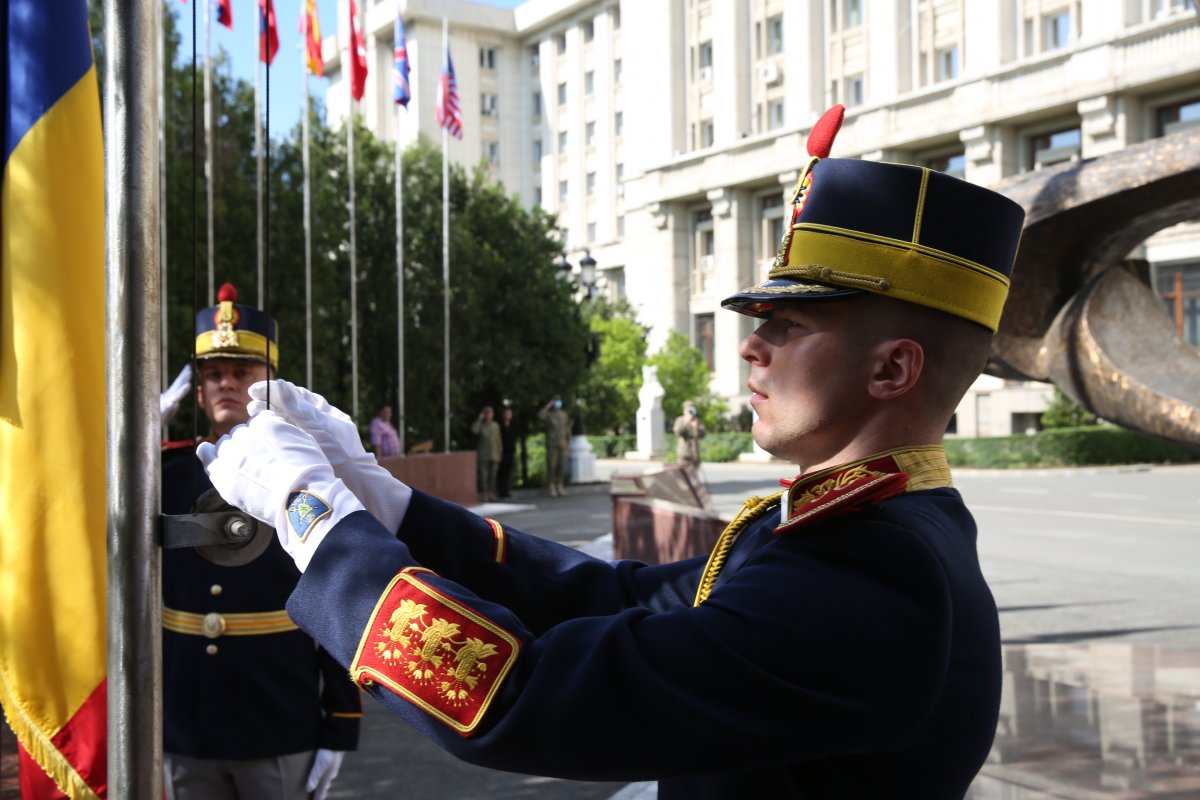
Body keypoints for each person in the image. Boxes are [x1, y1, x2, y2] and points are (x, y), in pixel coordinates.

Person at [199, 105, 1026, 798]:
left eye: (790, 325)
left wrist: (315, 516)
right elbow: (616, 598)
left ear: (892, 369)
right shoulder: (859, 532)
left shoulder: (871, 578)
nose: (751, 348)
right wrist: (388, 503)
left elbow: (517, 696)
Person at [160, 282, 361, 800]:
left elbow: (339, 588)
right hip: (186, 720)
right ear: (198, 390)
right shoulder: (162, 472)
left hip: (276, 714)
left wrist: (340, 717)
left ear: (268, 381)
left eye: (242, 373)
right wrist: (124, 446)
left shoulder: (308, 470)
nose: (226, 383)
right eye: (214, 375)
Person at [537, 395, 571, 496]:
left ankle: (559, 485)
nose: (558, 403)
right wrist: (548, 405)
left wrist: (568, 442)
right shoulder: (549, 415)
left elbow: (568, 429)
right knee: (552, 465)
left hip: (562, 443)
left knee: (562, 465)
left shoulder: (564, 415)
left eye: (559, 401)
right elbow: (540, 416)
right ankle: (551, 485)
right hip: (552, 444)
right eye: (556, 401)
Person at [470, 405, 502, 502]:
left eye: (490, 413)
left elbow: (499, 441)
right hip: (483, 455)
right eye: (487, 413)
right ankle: (484, 493)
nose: (489, 415)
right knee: (483, 476)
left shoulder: (495, 425)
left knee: (492, 476)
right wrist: (479, 419)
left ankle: (490, 492)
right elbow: (474, 430)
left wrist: (500, 454)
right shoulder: (481, 425)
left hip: (494, 454)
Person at [672, 400, 706, 468]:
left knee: (694, 475)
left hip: (694, 453)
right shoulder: (680, 420)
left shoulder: (697, 421)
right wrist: (686, 422)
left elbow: (703, 434)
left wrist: (696, 427)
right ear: (684, 411)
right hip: (683, 453)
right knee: (683, 475)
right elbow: (678, 432)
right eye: (688, 410)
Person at [496, 403, 517, 499]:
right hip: (502, 452)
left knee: (508, 473)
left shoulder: (512, 425)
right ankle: (501, 492)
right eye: (507, 413)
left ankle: (506, 491)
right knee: (502, 473)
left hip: (511, 452)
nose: (508, 415)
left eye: (510, 413)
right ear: (503, 414)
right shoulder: (500, 426)